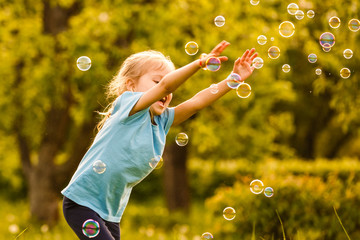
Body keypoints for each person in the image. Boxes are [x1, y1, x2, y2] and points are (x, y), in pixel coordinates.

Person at [61, 40, 257, 240]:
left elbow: (196, 103)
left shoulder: (162, 121)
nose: (167, 92)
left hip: (111, 212)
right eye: (157, 82)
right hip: (82, 201)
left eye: (169, 89)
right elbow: (166, 86)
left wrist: (234, 78)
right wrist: (199, 63)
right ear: (131, 85)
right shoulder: (129, 106)